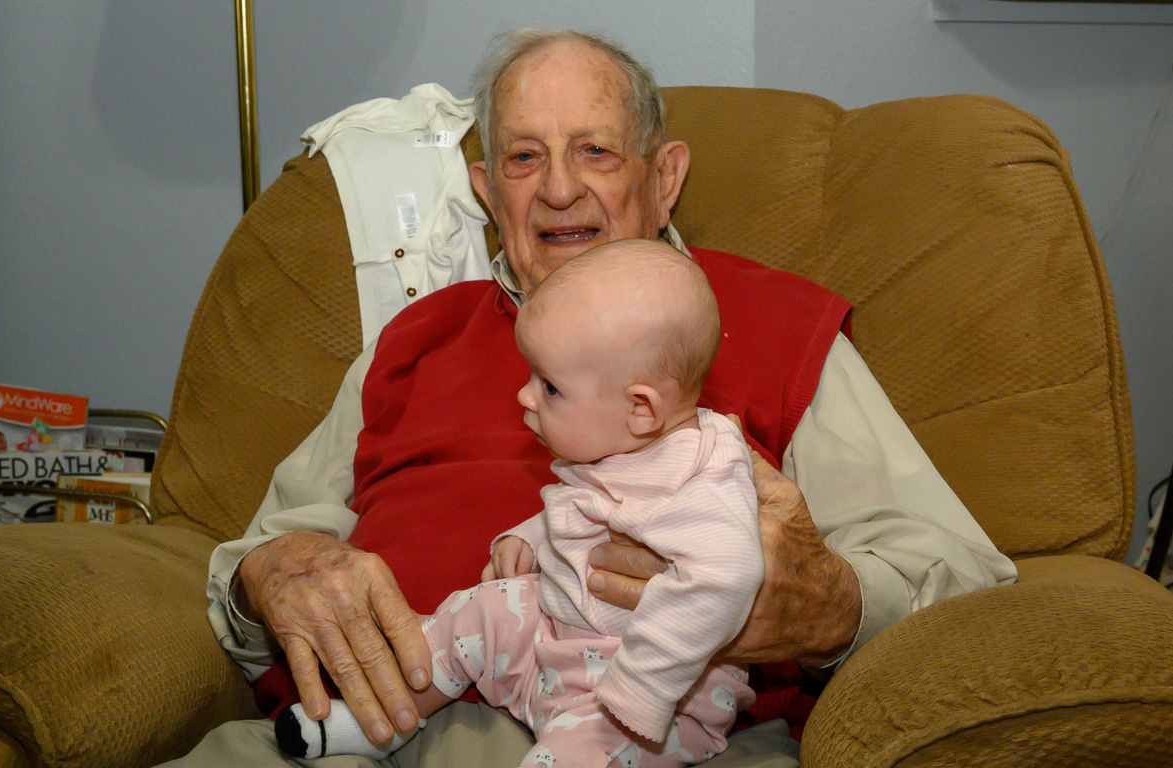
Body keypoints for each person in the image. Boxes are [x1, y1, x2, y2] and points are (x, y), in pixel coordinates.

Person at [169, 27, 1016, 768]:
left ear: (664, 176)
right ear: (486, 190)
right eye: (524, 156)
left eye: (596, 152)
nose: (559, 189)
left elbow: (964, 575)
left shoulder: (775, 328)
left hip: (640, 741)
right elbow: (258, 556)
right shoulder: (412, 339)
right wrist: (270, 574)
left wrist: (833, 604)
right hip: (360, 728)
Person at [276, 240, 763, 767]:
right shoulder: (623, 439)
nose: (525, 397)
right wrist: (529, 537)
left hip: (649, 698)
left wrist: (643, 688)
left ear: (641, 407)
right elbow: (593, 509)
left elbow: (728, 575)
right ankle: (385, 718)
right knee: (479, 610)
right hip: (557, 642)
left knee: (580, 753)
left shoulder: (703, 473)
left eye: (550, 387)